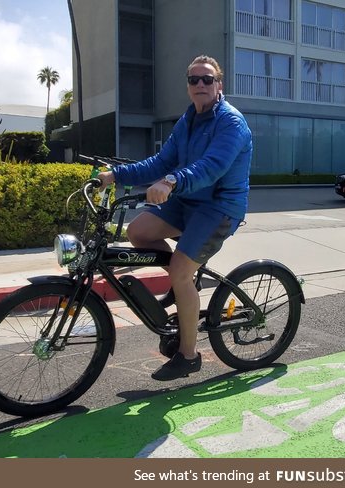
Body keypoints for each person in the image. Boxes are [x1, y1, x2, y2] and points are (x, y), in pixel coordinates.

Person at [97, 54, 252, 381]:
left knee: (181, 270)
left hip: (219, 206)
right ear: (187, 86)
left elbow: (211, 167)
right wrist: (116, 175)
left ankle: (188, 355)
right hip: (187, 199)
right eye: (193, 79)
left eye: (207, 79)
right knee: (139, 232)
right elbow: (160, 161)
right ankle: (181, 282)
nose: (200, 84)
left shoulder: (231, 122)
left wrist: (171, 182)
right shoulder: (188, 121)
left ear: (218, 85)